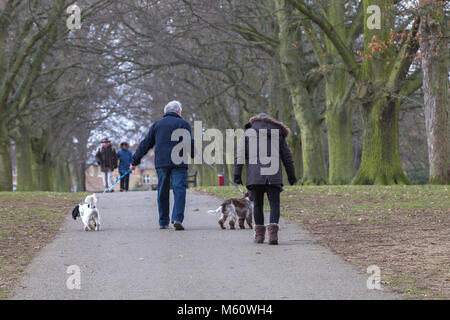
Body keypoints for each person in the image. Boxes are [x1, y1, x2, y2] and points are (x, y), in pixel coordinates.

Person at [234, 113, 297, 245]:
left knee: (257, 204)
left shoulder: (248, 133)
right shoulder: (277, 133)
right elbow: (287, 157)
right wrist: (291, 176)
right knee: (274, 203)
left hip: (255, 175)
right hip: (273, 175)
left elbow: (240, 155)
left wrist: (237, 174)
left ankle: (259, 236)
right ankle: (273, 235)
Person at [130, 101, 194, 230]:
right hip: (179, 162)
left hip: (162, 162)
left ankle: (163, 221)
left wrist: (134, 161)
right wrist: (192, 153)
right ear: (178, 111)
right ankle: (177, 218)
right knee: (179, 189)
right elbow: (189, 144)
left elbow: (145, 144)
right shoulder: (183, 124)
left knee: (163, 191)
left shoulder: (157, 125)